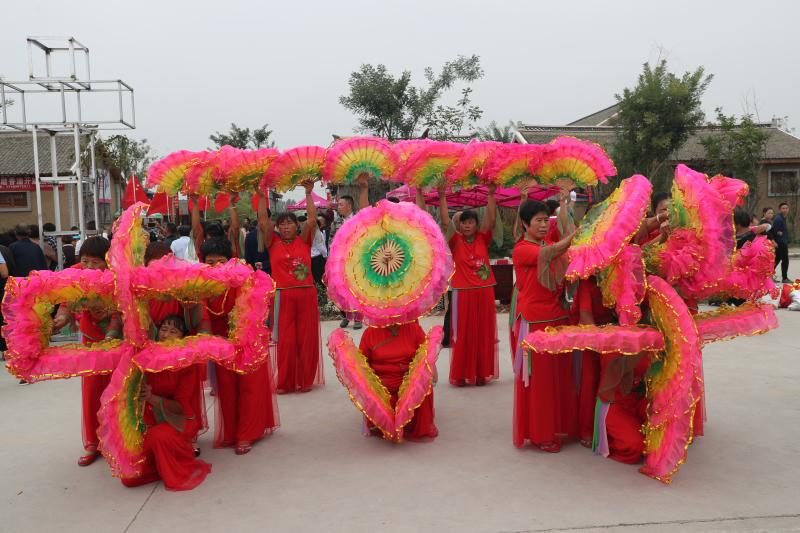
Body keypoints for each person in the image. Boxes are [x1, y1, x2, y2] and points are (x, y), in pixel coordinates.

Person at [199, 237, 280, 454]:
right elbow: (203, 316)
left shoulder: (243, 278)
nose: (215, 266)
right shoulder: (200, 285)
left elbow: (254, 308)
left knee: (249, 386)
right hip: (221, 343)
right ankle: (233, 431)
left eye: (220, 261)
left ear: (230, 260)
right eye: (210, 261)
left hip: (246, 340)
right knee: (226, 388)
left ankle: (247, 433)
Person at [510, 198, 577, 452]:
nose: (543, 225)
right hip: (535, 322)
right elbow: (551, 254)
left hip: (557, 316)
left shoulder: (548, 244)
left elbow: (564, 260)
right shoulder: (522, 249)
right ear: (525, 224)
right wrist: (574, 236)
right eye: (538, 220)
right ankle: (541, 434)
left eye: (545, 220)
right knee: (541, 383)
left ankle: (558, 426)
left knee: (560, 377)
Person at [51, 236, 122, 466]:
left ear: (107, 262)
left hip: (116, 344)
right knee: (92, 393)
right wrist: (59, 321)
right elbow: (65, 306)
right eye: (85, 260)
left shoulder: (117, 277)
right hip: (91, 343)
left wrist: (111, 323)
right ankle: (93, 443)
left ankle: (120, 443)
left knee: (117, 393)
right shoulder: (74, 275)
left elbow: (122, 312)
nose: (88, 266)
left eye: (95, 262)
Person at [420, 183, 498, 386]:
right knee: (463, 334)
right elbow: (446, 222)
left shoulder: (483, 238)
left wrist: (491, 194)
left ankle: (481, 373)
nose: (467, 226)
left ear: (476, 225)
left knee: (483, 334)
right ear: (460, 226)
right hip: (463, 292)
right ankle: (463, 374)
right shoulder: (455, 241)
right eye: (464, 223)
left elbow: (491, 220)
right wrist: (442, 196)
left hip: (485, 291)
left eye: (471, 222)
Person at [121, 315, 212, 490]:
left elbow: (181, 408)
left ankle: (174, 462)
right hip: (149, 419)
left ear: (182, 337)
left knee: (159, 436)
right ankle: (162, 467)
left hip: (176, 420)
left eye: (173, 331)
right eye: (163, 329)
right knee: (129, 479)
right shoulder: (146, 355)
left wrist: (152, 398)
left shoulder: (186, 364)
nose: (166, 335)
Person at [258, 183, 324, 394]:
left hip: (306, 294)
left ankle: (305, 380)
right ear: (278, 228)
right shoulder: (272, 242)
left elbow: (312, 219)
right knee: (286, 341)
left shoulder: (304, 240)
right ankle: (286, 382)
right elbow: (263, 222)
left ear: (297, 225)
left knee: (306, 338)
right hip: (283, 296)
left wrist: (308, 193)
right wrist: (261, 196)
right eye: (282, 224)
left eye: (290, 223)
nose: (286, 227)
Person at [359, 320, 438, 440]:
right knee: (378, 395)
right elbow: (362, 363)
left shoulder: (414, 329)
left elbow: (425, 355)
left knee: (423, 386)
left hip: (409, 378)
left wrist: (429, 371)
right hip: (382, 381)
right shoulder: (370, 332)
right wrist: (372, 380)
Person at [331, 180, 369, 329]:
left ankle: (358, 318)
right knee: (341, 290)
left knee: (357, 289)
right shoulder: (336, 222)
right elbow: (332, 241)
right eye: (338, 205)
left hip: (357, 260)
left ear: (349, 206)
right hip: (340, 261)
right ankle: (346, 315)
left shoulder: (358, 220)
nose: (338, 207)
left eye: (341, 205)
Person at [772, 202, 791, 283]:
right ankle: (784, 278)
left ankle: (768, 276)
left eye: (786, 208)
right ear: (780, 209)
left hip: (782, 242)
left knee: (777, 259)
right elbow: (774, 231)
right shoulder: (778, 219)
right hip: (780, 243)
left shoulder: (782, 218)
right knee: (785, 260)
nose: (785, 210)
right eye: (783, 208)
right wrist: (778, 233)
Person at [310, 215, 328, 285]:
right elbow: (321, 247)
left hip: (311, 259)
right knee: (321, 278)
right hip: (318, 258)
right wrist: (326, 257)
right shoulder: (318, 233)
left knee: (315, 278)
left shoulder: (308, 233)